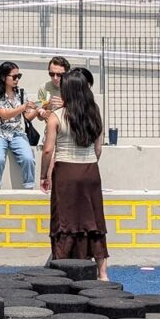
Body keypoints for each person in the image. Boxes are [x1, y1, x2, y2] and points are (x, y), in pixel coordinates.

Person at [40, 68, 108, 281]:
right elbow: (98, 148)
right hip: (90, 170)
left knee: (64, 221)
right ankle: (103, 273)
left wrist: (44, 175)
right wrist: (89, 163)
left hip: (66, 171)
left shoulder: (57, 116)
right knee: (94, 220)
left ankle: (62, 269)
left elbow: (49, 150)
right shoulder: (95, 111)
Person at [0, 62, 38, 190]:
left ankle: (29, 187)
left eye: (18, 76)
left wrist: (38, 110)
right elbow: (4, 115)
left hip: (17, 133)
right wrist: (23, 107)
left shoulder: (21, 93)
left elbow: (26, 117)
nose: (17, 79)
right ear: (4, 77)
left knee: (28, 158)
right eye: (14, 76)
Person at [36, 56, 71, 121]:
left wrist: (65, 105)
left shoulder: (74, 87)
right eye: (51, 74)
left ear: (67, 73)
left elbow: (84, 111)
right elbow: (38, 114)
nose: (55, 78)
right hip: (51, 127)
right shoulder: (43, 87)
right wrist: (43, 112)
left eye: (59, 75)